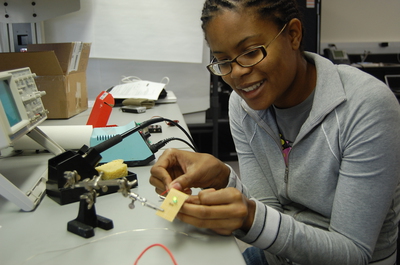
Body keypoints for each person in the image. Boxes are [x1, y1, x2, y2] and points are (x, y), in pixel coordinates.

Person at [149, 0, 400, 264]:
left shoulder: (367, 106)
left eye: (251, 51)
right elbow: (269, 210)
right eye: (222, 61)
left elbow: (352, 253)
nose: (237, 73)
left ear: (293, 34)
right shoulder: (243, 105)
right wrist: (223, 178)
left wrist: (249, 217)